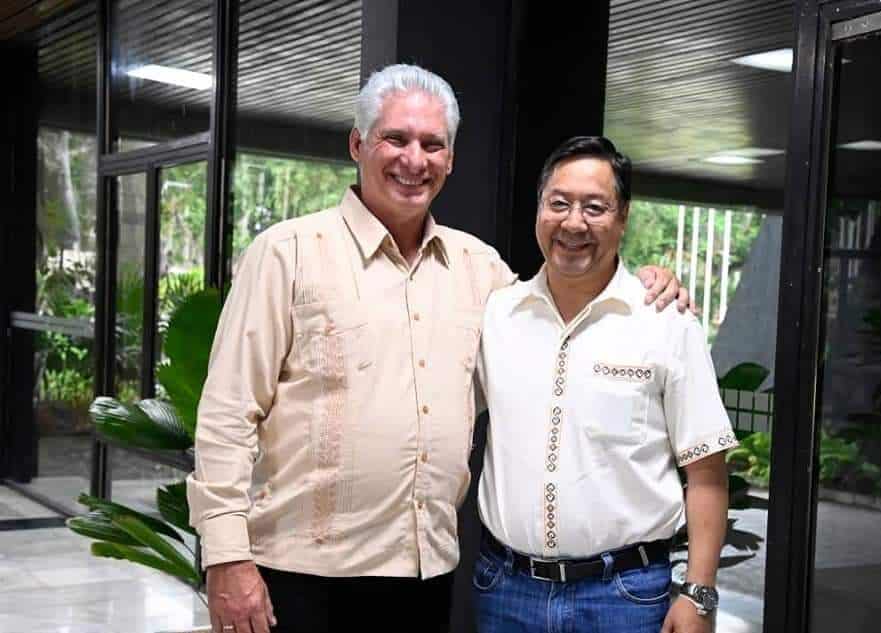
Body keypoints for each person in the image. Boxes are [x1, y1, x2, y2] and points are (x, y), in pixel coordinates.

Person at [185, 65, 687, 633]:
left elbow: (565, 310)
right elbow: (228, 414)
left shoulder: (483, 271)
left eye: (432, 144)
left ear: (450, 159)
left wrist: (646, 281)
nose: (413, 160)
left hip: (425, 580)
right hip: (301, 576)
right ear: (357, 144)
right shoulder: (286, 254)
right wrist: (226, 557)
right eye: (395, 139)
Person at [474, 136, 736, 633]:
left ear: (623, 218)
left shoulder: (666, 322)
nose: (574, 223)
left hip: (625, 598)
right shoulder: (497, 314)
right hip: (505, 591)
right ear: (539, 210)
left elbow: (706, 474)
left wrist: (699, 595)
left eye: (595, 207)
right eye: (559, 203)